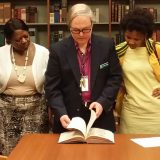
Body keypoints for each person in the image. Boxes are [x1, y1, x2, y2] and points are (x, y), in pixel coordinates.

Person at [45, 3, 122, 133]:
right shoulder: (58, 50)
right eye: (76, 30)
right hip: (68, 118)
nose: (81, 34)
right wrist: (61, 112)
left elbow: (115, 77)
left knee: (102, 153)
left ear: (92, 25)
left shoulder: (106, 45)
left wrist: (103, 102)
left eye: (86, 29)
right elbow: (52, 87)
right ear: (69, 27)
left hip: (100, 115)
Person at [0, 18, 49, 155]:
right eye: (18, 39)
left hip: (36, 111)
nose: (23, 41)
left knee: (36, 151)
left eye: (26, 36)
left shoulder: (43, 53)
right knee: (10, 152)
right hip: (6, 113)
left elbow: (51, 83)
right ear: (8, 40)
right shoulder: (1, 54)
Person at [116, 8, 160, 134]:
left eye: (137, 39)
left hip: (156, 114)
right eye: (128, 37)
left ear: (146, 35)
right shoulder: (119, 52)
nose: (131, 42)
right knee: (128, 152)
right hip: (131, 114)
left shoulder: (157, 50)